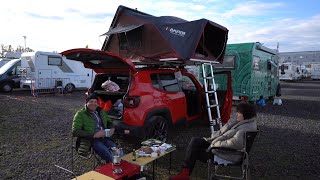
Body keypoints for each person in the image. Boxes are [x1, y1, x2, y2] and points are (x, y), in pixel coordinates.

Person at [169, 102, 258, 180]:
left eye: (239, 113)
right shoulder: (246, 122)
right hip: (223, 148)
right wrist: (232, 122)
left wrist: (214, 143)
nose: (236, 114)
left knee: (194, 151)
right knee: (195, 141)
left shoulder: (245, 128)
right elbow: (225, 131)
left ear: (245, 114)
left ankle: (184, 174)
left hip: (228, 154)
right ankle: (184, 173)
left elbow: (234, 143)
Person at [72, 93, 118, 163]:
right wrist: (94, 134)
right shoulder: (80, 114)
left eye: (95, 102)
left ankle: (114, 167)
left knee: (118, 153)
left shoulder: (100, 111)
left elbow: (109, 121)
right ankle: (112, 169)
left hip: (105, 137)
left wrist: (112, 128)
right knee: (110, 157)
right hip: (92, 140)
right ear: (86, 103)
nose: (93, 104)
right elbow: (75, 131)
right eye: (91, 101)